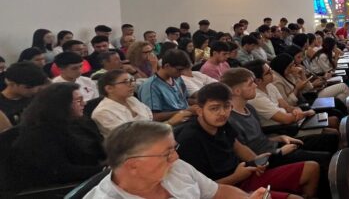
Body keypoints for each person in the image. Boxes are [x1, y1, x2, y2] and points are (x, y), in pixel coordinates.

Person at [175, 82, 319, 199]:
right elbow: (202, 189)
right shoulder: (189, 140)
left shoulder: (222, 123)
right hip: (225, 188)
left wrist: (257, 161)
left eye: (226, 106)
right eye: (214, 108)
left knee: (312, 168)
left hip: (244, 174)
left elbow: (238, 146)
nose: (222, 113)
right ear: (199, 111)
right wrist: (236, 177)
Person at [84, 121, 269, 198]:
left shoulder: (175, 167)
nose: (176, 157)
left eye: (174, 148)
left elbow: (218, 191)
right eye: (167, 153)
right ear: (133, 165)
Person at [224, 67, 333, 197]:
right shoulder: (231, 120)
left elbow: (260, 138)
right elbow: (249, 156)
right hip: (267, 160)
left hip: (275, 147)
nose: (255, 85)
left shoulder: (249, 108)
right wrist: (279, 152)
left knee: (328, 139)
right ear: (237, 91)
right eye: (250, 84)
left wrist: (280, 138)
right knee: (323, 160)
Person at [11, 83, 107, 190]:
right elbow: (62, 172)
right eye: (78, 101)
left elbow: (99, 150)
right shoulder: (39, 134)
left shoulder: (79, 122)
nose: (84, 103)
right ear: (61, 105)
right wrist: (103, 170)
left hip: (92, 176)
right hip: (67, 187)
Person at [136, 49, 193, 125]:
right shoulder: (151, 86)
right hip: (170, 125)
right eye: (179, 69)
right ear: (167, 66)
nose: (182, 73)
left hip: (185, 119)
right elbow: (153, 116)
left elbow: (185, 99)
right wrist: (182, 112)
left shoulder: (177, 79)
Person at [91, 69, 155, 137]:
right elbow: (127, 135)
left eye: (132, 80)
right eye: (126, 82)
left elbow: (150, 117)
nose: (132, 84)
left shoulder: (131, 99)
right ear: (109, 88)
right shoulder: (102, 112)